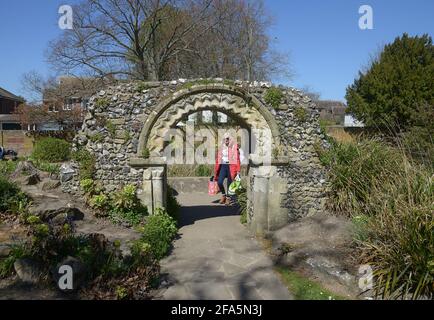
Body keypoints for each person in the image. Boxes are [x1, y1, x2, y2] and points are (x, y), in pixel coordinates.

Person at [214, 134, 241, 205]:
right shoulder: (221, 147)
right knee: (219, 182)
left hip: (231, 166)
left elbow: (237, 159)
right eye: (225, 139)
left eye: (228, 139)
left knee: (229, 182)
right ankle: (223, 195)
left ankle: (228, 198)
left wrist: (238, 170)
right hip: (223, 166)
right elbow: (217, 159)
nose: (226, 140)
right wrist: (216, 168)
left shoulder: (234, 148)